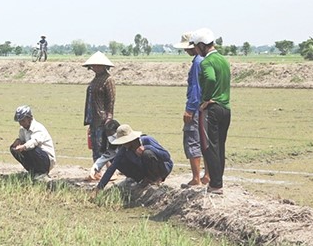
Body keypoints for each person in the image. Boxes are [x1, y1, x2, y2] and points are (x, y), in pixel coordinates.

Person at [191, 28, 231, 195]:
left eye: (195, 47)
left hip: (212, 109)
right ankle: (218, 181)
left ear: (201, 45)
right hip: (225, 108)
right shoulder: (223, 60)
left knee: (208, 147)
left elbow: (210, 78)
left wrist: (206, 99)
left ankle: (215, 184)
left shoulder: (207, 62)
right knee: (219, 146)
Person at [173, 31, 210, 188]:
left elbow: (196, 88)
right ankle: (208, 175)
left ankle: (196, 178)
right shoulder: (205, 60)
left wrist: (189, 109)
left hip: (196, 108)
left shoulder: (197, 63)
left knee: (192, 140)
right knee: (205, 141)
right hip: (205, 108)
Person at [93, 124, 173, 194]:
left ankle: (156, 179)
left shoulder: (147, 140)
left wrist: (147, 148)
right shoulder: (124, 149)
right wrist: (99, 188)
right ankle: (144, 179)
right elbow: (112, 168)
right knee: (119, 162)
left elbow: (166, 156)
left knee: (147, 154)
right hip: (145, 171)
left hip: (162, 169)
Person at [83, 51, 116, 163]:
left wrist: (109, 117)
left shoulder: (108, 80)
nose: (95, 67)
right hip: (93, 117)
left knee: (103, 145)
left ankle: (109, 170)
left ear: (104, 66)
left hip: (102, 118)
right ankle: (97, 171)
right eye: (94, 65)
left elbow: (110, 100)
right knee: (95, 146)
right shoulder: (95, 80)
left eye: (98, 65)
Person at [10, 105, 56, 180]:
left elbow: (34, 142)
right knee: (14, 149)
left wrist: (23, 147)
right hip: (35, 156)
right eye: (20, 121)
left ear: (29, 118)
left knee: (31, 148)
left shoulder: (38, 128)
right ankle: (32, 171)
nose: (21, 123)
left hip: (47, 159)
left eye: (23, 121)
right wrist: (17, 142)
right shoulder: (22, 129)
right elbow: (21, 140)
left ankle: (42, 173)